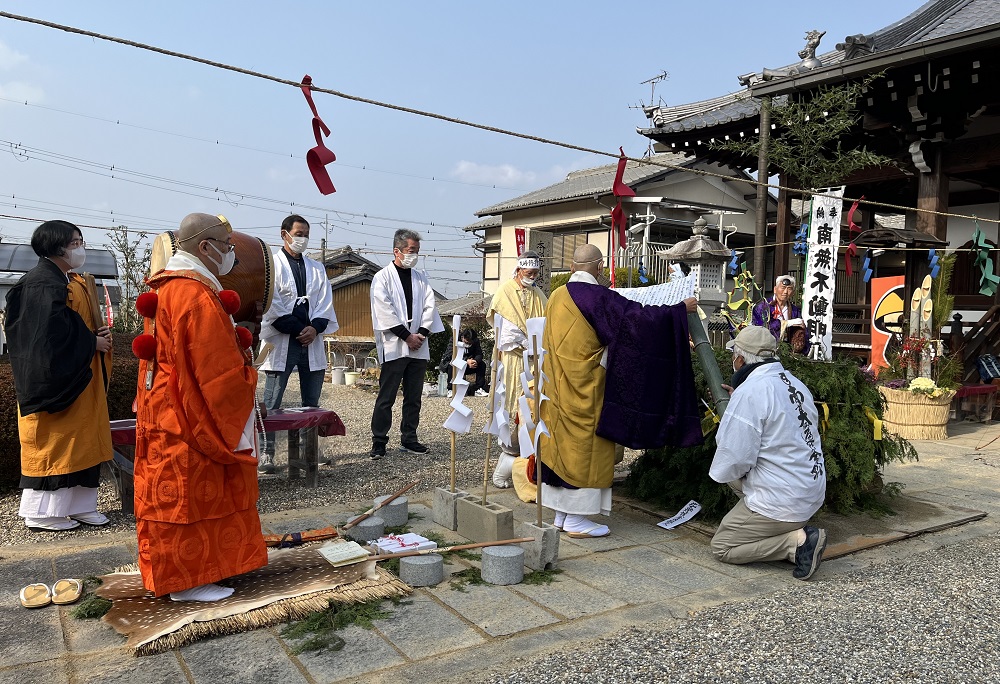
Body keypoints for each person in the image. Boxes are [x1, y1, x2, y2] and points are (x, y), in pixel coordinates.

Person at [134, 213, 267, 601]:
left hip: (164, 404)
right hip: (189, 410)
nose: (232, 255)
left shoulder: (168, 286)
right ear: (204, 247)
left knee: (176, 490)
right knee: (192, 490)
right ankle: (189, 580)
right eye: (227, 247)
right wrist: (246, 378)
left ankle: (200, 570)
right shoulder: (194, 294)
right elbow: (215, 371)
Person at [539, 244, 702, 537]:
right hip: (588, 385)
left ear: (574, 267)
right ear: (600, 267)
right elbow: (638, 321)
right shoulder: (597, 297)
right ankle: (577, 519)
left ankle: (562, 515)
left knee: (561, 442)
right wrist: (679, 310)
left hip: (558, 382)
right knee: (586, 445)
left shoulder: (556, 296)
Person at [5, 220, 113, 532]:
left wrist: (96, 335)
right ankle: (40, 512)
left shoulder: (67, 279)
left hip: (81, 377)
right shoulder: (41, 284)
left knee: (84, 441)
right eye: (76, 242)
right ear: (57, 247)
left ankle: (81, 506)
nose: (81, 247)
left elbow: (70, 324)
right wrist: (90, 341)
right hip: (58, 383)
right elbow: (44, 337)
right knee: (57, 445)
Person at [709, 325, 828, 580]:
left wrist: (736, 409)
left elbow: (734, 457)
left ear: (739, 360)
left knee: (723, 546)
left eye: (734, 357)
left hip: (783, 501)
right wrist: (740, 399)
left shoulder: (751, 392)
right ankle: (776, 526)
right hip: (810, 492)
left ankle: (796, 543)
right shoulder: (796, 384)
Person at [257, 214, 338, 474]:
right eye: (298, 233)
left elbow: (324, 304)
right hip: (283, 340)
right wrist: (298, 329)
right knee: (272, 400)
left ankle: (309, 448)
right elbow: (272, 305)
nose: (302, 238)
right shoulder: (271, 267)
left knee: (311, 400)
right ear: (285, 234)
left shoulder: (317, 268)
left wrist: (314, 329)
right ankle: (266, 453)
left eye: (306, 234)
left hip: (311, 341)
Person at [369, 229, 443, 459]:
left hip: (418, 344)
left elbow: (430, 306)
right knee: (387, 396)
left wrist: (420, 333)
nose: (414, 256)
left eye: (417, 252)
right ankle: (379, 440)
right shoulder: (382, 277)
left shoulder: (421, 278)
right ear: (397, 251)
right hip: (395, 344)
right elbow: (384, 311)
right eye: (411, 251)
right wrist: (407, 336)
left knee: (414, 396)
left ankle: (409, 438)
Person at [487, 250, 548, 487]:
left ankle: (527, 470)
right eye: (528, 272)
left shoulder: (538, 294)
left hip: (536, 361)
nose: (531, 276)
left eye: (535, 273)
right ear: (519, 269)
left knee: (533, 410)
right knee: (513, 406)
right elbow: (504, 329)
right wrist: (526, 342)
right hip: (513, 360)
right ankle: (505, 466)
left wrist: (538, 344)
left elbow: (545, 321)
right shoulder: (504, 292)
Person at [751, 275, 810, 352]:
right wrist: (787, 323)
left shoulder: (794, 310)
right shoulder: (764, 306)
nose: (785, 292)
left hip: (786, 351)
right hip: (763, 350)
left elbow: (803, 333)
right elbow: (761, 326)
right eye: (783, 288)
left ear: (793, 293)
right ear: (775, 289)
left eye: (789, 289)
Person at [442, 329, 487, 397]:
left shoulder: (475, 341)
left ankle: (478, 389)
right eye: (467, 342)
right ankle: (450, 389)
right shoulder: (454, 339)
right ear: (462, 337)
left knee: (482, 365)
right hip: (455, 364)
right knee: (451, 364)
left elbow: (479, 354)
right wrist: (466, 361)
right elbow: (450, 355)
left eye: (470, 343)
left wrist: (475, 361)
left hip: (469, 365)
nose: (469, 344)